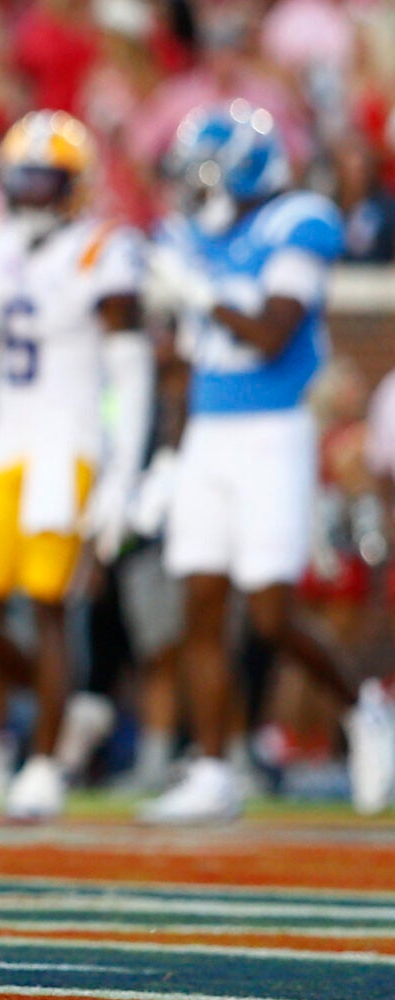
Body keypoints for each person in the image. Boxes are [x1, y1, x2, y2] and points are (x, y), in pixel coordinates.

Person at [133, 103, 394, 822]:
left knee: (272, 614)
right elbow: (182, 363)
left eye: (209, 176)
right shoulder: (191, 236)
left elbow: (275, 334)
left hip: (274, 430)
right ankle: (215, 769)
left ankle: (363, 708)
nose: (197, 189)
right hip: (208, 435)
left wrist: (203, 294)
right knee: (200, 607)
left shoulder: (299, 221)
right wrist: (164, 457)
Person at [0, 112, 150, 823]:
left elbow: (129, 375)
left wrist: (123, 472)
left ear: (76, 186)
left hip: (69, 443)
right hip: (6, 444)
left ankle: (44, 763)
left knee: (49, 610)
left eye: (50, 181)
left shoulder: (103, 250)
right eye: (26, 180)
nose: (37, 193)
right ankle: (66, 708)